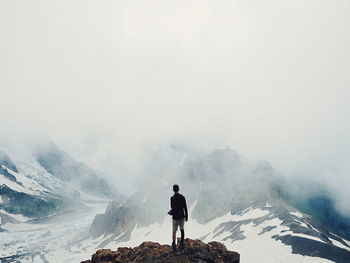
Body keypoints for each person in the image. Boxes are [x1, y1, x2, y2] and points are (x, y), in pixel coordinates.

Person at [169, 184, 188, 252]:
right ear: (178, 189)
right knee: (182, 229)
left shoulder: (172, 198)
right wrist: (187, 216)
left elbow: (172, 208)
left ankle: (174, 245)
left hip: (175, 217)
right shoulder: (182, 197)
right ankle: (181, 244)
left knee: (174, 231)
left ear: (173, 190)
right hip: (182, 217)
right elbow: (185, 207)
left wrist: (170, 212)